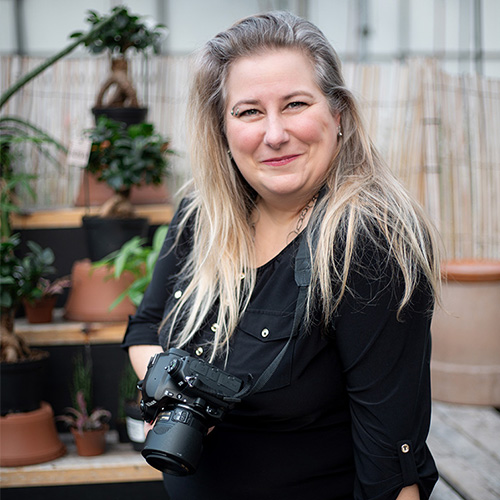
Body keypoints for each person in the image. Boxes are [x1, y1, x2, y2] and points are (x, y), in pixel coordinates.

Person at [123, 11, 441, 500]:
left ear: (337, 113)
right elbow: (144, 326)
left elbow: (392, 462)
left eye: (295, 104)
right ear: (222, 129)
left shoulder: (366, 242)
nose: (274, 134)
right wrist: (171, 390)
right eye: (249, 111)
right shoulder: (201, 213)